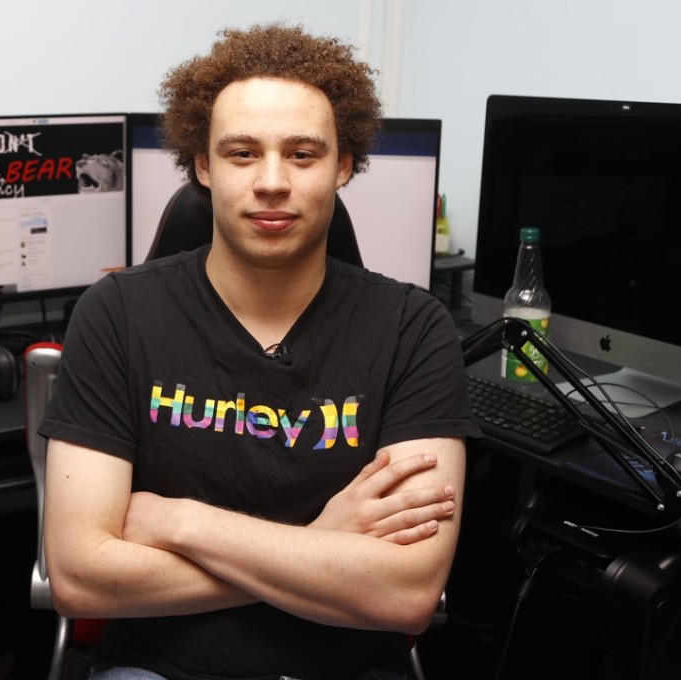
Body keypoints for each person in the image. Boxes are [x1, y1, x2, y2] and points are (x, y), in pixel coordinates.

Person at [38, 22, 480, 680]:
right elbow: (79, 577)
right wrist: (322, 552)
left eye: (303, 154)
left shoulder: (413, 329)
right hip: (160, 667)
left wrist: (180, 521)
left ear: (344, 165)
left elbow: (407, 595)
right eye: (242, 153)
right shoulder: (119, 315)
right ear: (203, 165)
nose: (272, 182)